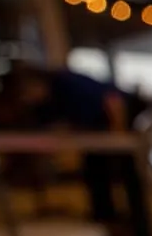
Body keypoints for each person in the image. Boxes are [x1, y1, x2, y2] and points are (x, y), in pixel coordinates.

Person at [12, 65, 131, 224]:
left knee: (127, 172)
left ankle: (129, 218)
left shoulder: (68, 84)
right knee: (95, 171)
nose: (28, 97)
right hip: (94, 133)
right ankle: (105, 215)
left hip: (120, 118)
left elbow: (113, 101)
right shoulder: (43, 103)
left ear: (38, 82)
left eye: (28, 91)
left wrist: (118, 132)